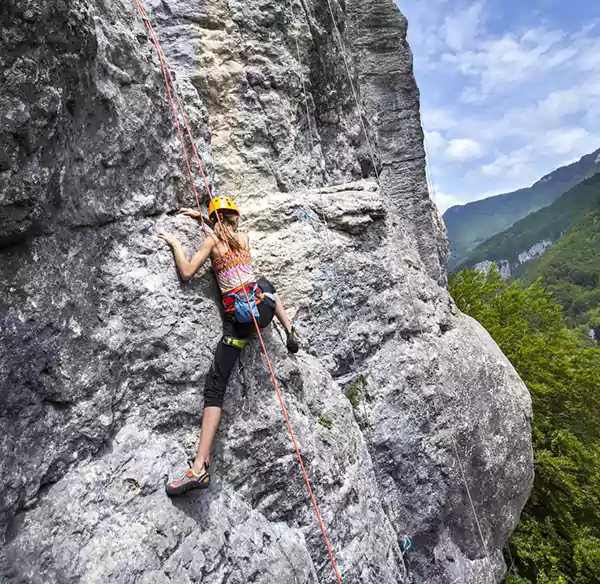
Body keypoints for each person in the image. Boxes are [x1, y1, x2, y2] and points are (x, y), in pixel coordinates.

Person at [157, 195, 300, 496]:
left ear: (213, 220)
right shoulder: (244, 239)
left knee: (215, 387)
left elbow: (186, 273)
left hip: (239, 322)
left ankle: (199, 467)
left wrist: (174, 243)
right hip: (262, 311)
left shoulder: (212, 244)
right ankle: (288, 327)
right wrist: (203, 217)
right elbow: (225, 227)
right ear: (235, 219)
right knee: (265, 282)